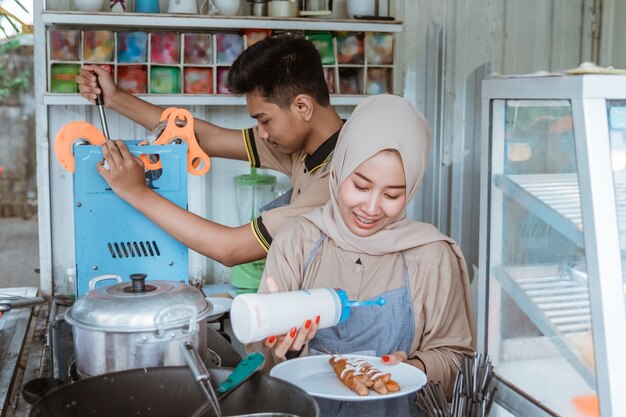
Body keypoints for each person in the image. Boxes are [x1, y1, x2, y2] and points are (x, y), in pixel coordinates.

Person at [252, 94, 476, 416]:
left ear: (411, 188)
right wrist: (284, 348)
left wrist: (413, 367)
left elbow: (457, 357)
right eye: (360, 185)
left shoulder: (431, 255)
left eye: (392, 194)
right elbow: (259, 356)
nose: (371, 208)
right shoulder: (297, 241)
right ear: (340, 169)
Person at [75, 35, 344, 266]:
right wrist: (115, 99)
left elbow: (231, 248)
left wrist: (137, 192)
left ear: (302, 107)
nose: (261, 132)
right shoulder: (308, 144)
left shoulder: (339, 180)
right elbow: (205, 139)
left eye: (264, 120)